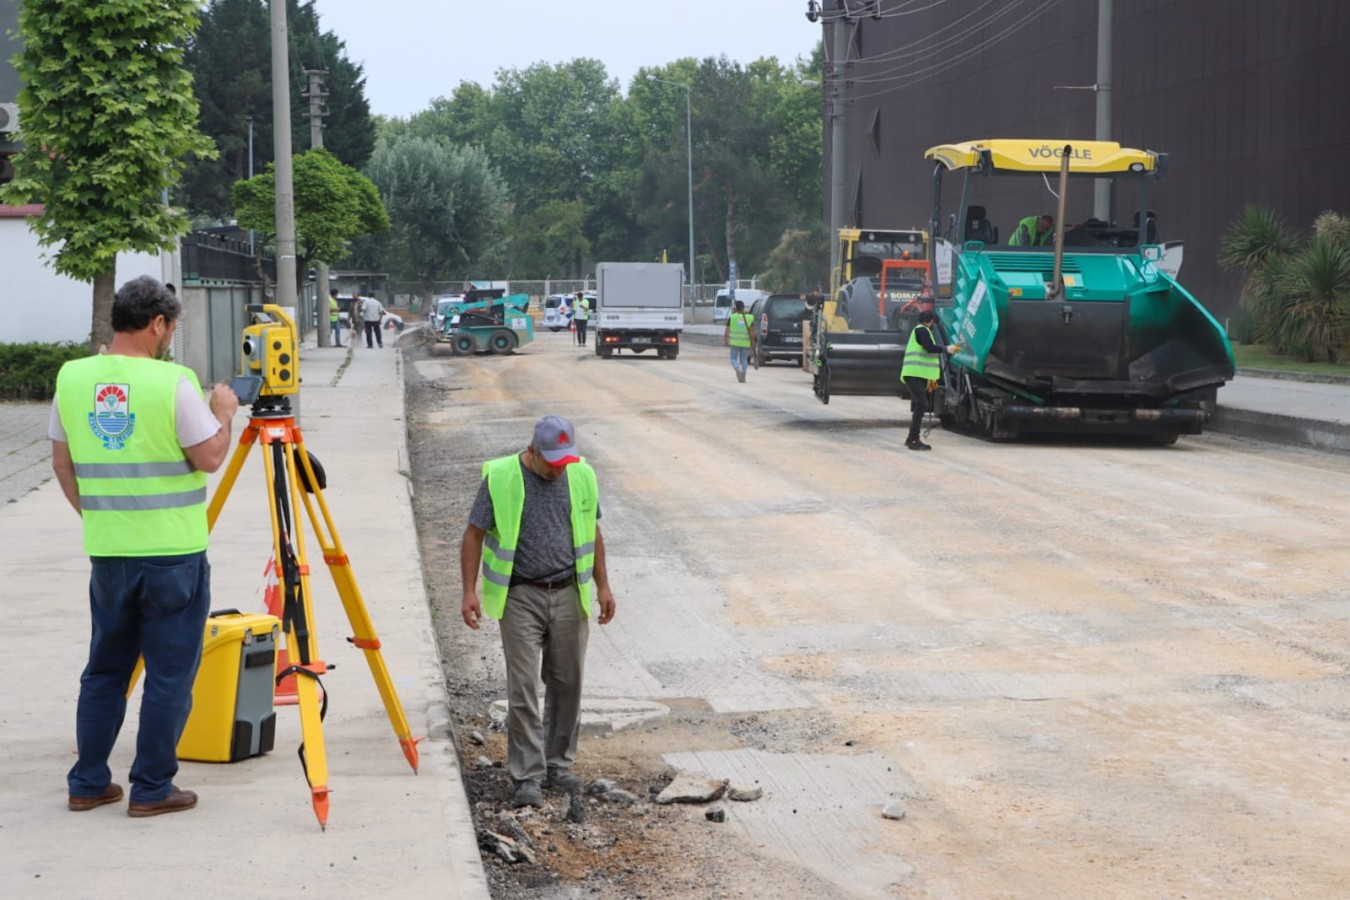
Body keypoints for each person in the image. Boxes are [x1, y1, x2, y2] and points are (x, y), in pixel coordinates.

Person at [49, 275, 238, 817]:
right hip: (173, 556)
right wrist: (223, 412)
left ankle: (88, 782)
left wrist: (103, 519)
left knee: (105, 670)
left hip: (109, 554)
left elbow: (62, 465)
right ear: (157, 323)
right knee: (169, 673)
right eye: (170, 327)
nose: (169, 336)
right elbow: (208, 457)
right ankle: (152, 789)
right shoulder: (173, 382)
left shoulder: (72, 378)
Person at [459, 415, 616, 809]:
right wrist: (468, 591)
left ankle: (558, 764)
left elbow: (593, 533)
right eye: (553, 462)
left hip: (568, 593)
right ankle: (528, 774)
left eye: (566, 460)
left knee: (567, 683)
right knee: (524, 687)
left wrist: (603, 586)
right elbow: (474, 534)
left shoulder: (580, 475)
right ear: (533, 451)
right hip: (520, 596)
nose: (560, 468)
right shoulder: (501, 477)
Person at [900, 309, 960, 451]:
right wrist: (947, 349)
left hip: (917, 374)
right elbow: (929, 348)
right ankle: (913, 439)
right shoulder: (922, 330)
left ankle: (911, 438)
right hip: (914, 374)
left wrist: (930, 379)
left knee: (921, 404)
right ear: (931, 321)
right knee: (921, 404)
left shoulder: (921, 330)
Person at [723, 298, 756, 383]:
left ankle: (737, 368)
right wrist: (753, 341)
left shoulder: (732, 317)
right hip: (745, 342)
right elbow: (752, 331)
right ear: (743, 307)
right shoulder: (749, 318)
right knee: (744, 359)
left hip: (734, 342)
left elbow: (727, 330)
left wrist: (725, 339)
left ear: (735, 308)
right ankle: (743, 374)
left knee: (733, 359)